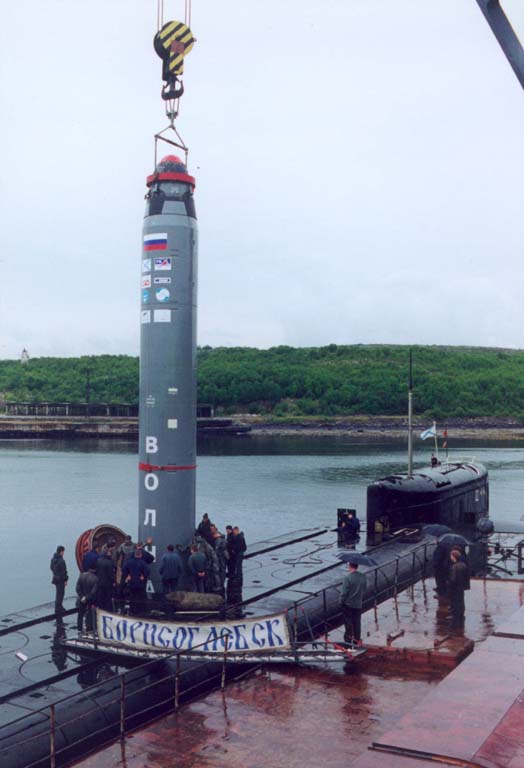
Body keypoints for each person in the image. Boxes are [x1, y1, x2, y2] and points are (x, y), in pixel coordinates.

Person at [340, 560, 367, 646]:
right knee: (357, 623)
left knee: (348, 624)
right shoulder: (362, 576)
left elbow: (344, 593)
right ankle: (356, 641)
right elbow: (364, 589)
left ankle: (347, 643)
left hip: (348, 604)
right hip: (358, 604)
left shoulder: (347, 578)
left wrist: (341, 602)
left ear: (350, 566)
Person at [122, 548, 149, 615]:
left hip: (131, 583)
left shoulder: (129, 562)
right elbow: (147, 572)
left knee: (132, 598)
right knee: (140, 598)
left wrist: (127, 575)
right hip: (140, 583)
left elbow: (124, 570)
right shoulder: (143, 563)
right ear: (141, 555)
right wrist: (143, 576)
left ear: (134, 555)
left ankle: (132, 611)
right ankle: (139, 612)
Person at [448, 549, 468, 630]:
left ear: (454, 557)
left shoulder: (454, 567)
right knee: (461, 603)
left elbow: (453, 579)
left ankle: (454, 624)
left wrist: (448, 584)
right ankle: (460, 620)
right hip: (461, 587)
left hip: (455, 588)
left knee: (455, 605)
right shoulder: (464, 565)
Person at [76, 566, 98, 635]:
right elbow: (93, 592)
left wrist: (82, 596)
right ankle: (89, 628)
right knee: (90, 613)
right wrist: (86, 597)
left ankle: (79, 628)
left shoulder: (82, 575)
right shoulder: (95, 579)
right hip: (89, 599)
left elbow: (77, 588)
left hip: (81, 598)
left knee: (80, 614)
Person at [95, 545, 116, 611]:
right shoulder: (109, 562)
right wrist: (114, 581)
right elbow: (111, 574)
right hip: (107, 584)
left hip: (99, 583)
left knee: (101, 599)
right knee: (107, 600)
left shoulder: (98, 561)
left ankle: (101, 610)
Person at [50, 546, 68, 614]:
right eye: (63, 552)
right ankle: (58, 608)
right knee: (61, 594)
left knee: (58, 593)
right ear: (61, 552)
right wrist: (65, 580)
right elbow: (64, 571)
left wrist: (55, 573)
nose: (63, 553)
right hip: (61, 579)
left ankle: (58, 606)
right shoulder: (61, 561)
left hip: (55, 578)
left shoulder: (53, 559)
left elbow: (51, 567)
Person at [212, 528, 229, 594]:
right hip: (224, 555)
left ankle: (221, 585)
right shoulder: (223, 538)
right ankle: (222, 584)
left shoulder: (218, 540)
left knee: (221, 570)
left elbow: (217, 549)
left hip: (221, 556)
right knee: (223, 569)